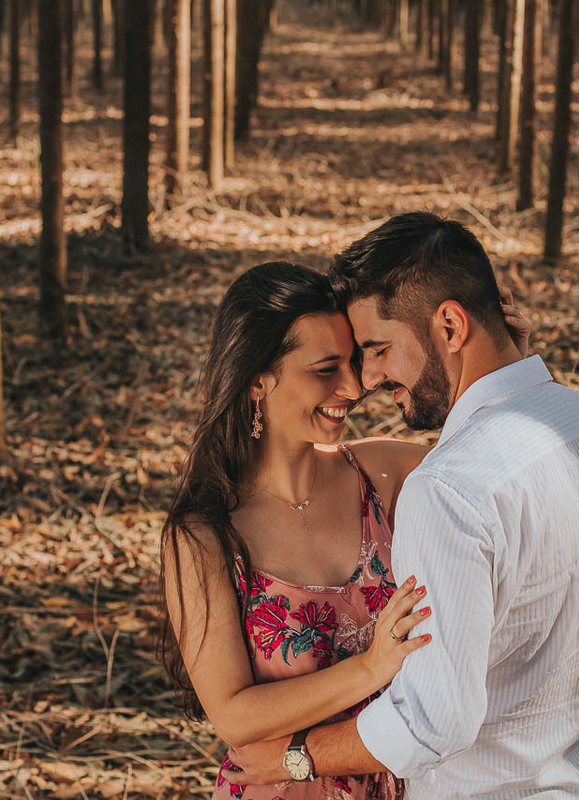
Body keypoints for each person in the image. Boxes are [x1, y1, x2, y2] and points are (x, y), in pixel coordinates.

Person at [227, 212, 579, 799]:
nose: (367, 378)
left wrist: (295, 759)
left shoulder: (446, 489)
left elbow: (432, 720)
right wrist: (510, 366)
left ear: (450, 323)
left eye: (377, 349)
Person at [161, 260, 529, 800]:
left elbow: (510, 460)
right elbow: (235, 716)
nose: (354, 386)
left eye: (353, 362)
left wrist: (505, 362)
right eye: (325, 368)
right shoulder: (203, 537)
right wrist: (371, 667)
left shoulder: (388, 476)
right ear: (258, 378)